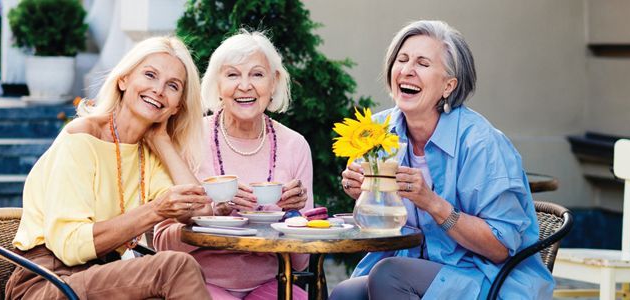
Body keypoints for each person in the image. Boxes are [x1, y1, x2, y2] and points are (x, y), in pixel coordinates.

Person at [331, 20, 555, 299]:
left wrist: (432, 202)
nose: (407, 70)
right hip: (410, 269)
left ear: (449, 85)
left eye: (423, 64)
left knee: (390, 275)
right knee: (346, 294)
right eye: (402, 60)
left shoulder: (482, 143)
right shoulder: (376, 132)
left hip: (484, 276)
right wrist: (364, 193)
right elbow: (382, 228)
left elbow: (500, 247)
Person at [5, 36, 213, 300]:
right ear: (123, 80)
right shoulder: (82, 138)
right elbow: (70, 246)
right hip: (48, 281)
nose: (159, 90)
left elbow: (201, 211)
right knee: (175, 268)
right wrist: (155, 210)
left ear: (177, 107)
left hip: (105, 275)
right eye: (150, 75)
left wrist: (162, 142)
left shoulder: (149, 152)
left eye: (172, 86)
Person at [154, 31, 313, 300]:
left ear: (273, 83)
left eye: (257, 74)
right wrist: (212, 213)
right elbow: (161, 243)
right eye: (232, 75)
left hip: (269, 285)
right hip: (197, 283)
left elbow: (302, 262)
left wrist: (294, 215)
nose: (245, 86)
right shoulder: (187, 139)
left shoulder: (294, 146)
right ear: (217, 84)